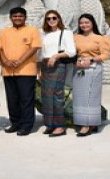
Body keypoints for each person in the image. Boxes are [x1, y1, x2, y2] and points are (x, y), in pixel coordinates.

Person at [0, 6, 42, 136]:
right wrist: (5, 61)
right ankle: (15, 123)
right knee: (12, 99)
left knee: (26, 99)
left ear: (25, 17)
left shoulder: (32, 30)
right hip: (8, 71)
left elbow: (34, 48)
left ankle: (26, 125)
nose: (17, 18)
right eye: (15, 16)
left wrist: (19, 61)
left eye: (20, 16)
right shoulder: (4, 32)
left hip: (26, 71)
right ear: (11, 18)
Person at [72, 14, 110, 136]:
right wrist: (75, 62)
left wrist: (92, 60)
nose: (84, 25)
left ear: (93, 23)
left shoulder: (101, 38)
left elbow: (106, 55)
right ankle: (86, 122)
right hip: (79, 68)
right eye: (81, 23)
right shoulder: (75, 37)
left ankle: (88, 125)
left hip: (94, 68)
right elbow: (71, 52)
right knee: (80, 97)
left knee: (91, 96)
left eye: (87, 22)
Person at [39, 9, 76, 137]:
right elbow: (41, 53)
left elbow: (72, 51)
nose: (51, 21)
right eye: (48, 19)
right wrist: (39, 68)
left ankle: (60, 126)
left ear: (59, 19)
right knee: (46, 95)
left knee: (56, 94)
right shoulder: (44, 34)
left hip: (58, 64)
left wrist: (56, 56)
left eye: (54, 18)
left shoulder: (66, 33)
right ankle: (50, 124)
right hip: (45, 65)